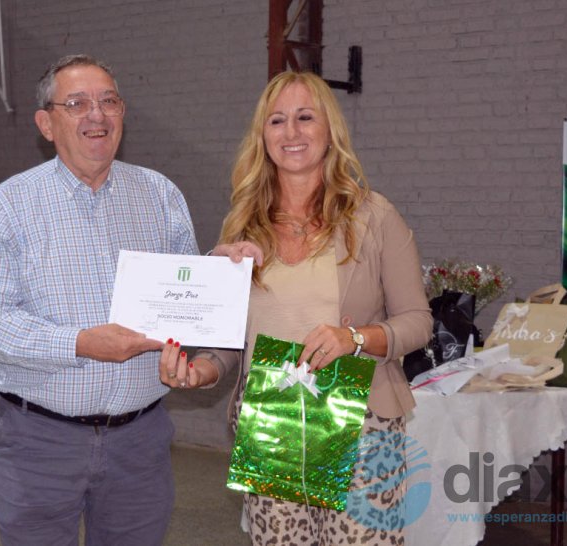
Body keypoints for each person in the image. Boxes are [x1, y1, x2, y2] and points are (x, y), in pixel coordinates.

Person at [159, 71, 433, 545]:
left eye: (305, 117)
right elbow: (231, 339)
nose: (291, 133)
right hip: (271, 414)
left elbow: (418, 321)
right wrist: (201, 370)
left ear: (330, 130)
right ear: (262, 137)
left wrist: (356, 338)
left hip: (360, 418)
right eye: (277, 121)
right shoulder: (243, 225)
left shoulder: (375, 215)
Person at [0, 54, 200, 546]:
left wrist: (226, 267)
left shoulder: (160, 196)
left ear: (123, 113)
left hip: (140, 443)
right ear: (46, 124)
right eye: (77, 103)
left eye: (109, 101)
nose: (98, 114)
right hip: (39, 441)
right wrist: (80, 343)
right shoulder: (8, 205)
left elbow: (189, 298)